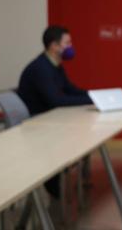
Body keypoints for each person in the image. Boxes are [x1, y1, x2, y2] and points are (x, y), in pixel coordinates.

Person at [17, 25, 92, 198]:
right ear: (54, 46)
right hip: (37, 123)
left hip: (51, 117)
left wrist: (95, 95)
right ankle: (52, 183)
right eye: (68, 42)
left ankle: (59, 179)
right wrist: (90, 100)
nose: (71, 46)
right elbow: (56, 101)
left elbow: (70, 89)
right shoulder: (41, 68)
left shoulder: (55, 65)